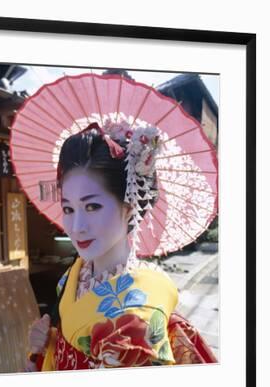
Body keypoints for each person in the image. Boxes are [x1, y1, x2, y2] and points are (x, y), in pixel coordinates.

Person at [24, 122, 217, 372]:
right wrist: (46, 343)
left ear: (129, 208)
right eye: (68, 209)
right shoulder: (71, 278)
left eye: (92, 206)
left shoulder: (141, 312)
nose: (77, 226)